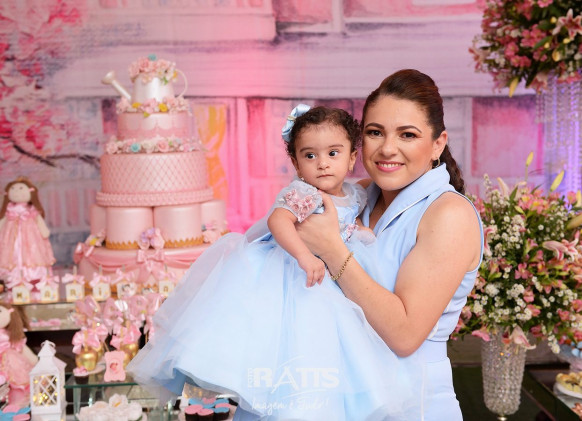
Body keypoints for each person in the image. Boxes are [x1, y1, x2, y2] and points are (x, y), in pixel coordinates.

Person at [128, 105, 421, 420]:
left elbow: (348, 222)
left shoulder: (355, 193)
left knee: (332, 351)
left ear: (351, 158)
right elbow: (278, 220)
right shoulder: (305, 193)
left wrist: (360, 232)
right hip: (294, 275)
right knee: (292, 343)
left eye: (333, 154)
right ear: (296, 163)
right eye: (310, 156)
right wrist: (303, 255)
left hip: (331, 275)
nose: (322, 163)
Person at [294, 69, 483, 420]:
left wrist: (332, 249)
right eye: (375, 132)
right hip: (343, 398)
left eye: (407, 134)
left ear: (438, 144)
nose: (387, 148)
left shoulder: (448, 214)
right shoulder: (358, 196)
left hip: (412, 406)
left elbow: (405, 335)